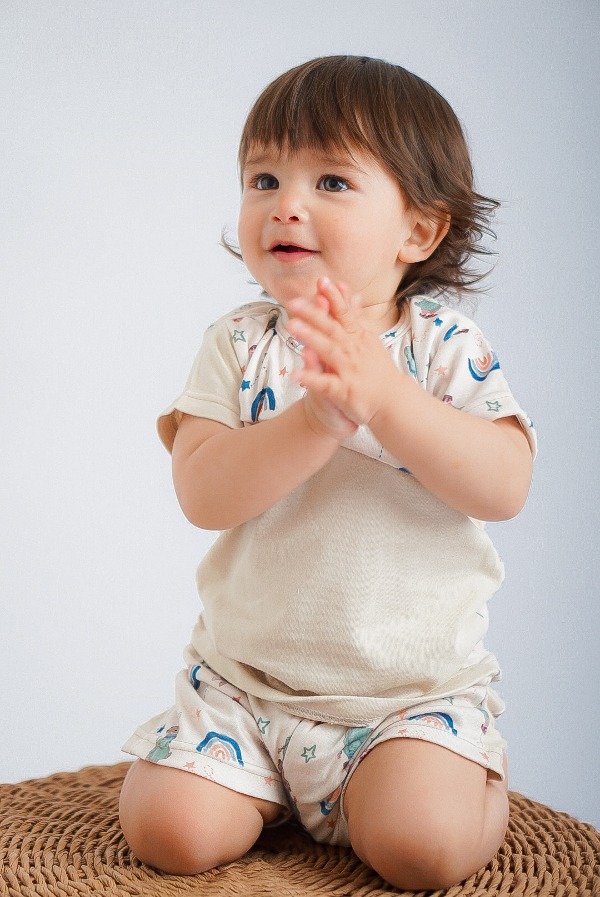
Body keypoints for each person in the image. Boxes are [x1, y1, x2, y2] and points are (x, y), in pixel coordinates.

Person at [118, 55, 537, 890]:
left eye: (332, 181)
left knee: (423, 847)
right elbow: (202, 493)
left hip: (405, 700)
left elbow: (504, 484)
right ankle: (266, 786)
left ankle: (475, 779)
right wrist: (316, 420)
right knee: (169, 831)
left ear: (419, 232)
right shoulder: (240, 344)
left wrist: (383, 395)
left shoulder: (441, 348)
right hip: (246, 688)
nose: (287, 204)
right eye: (264, 178)